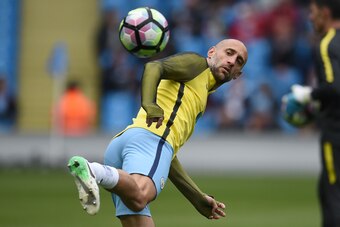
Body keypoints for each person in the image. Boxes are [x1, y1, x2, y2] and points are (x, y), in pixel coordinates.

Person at [67, 38, 248, 227]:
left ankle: (100, 173)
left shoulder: (199, 91)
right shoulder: (197, 64)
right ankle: (94, 171)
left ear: (237, 75)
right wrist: (149, 104)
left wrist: (196, 197)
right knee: (141, 195)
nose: (232, 61)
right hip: (149, 142)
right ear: (211, 52)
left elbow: (167, 156)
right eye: (229, 53)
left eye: (239, 61)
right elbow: (153, 67)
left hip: (130, 145)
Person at [287, 0, 340, 226]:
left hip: (336, 134)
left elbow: (334, 87)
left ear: (325, 13)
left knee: (332, 194)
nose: (310, 17)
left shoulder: (327, 44)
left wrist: (308, 95)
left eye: (313, 12)